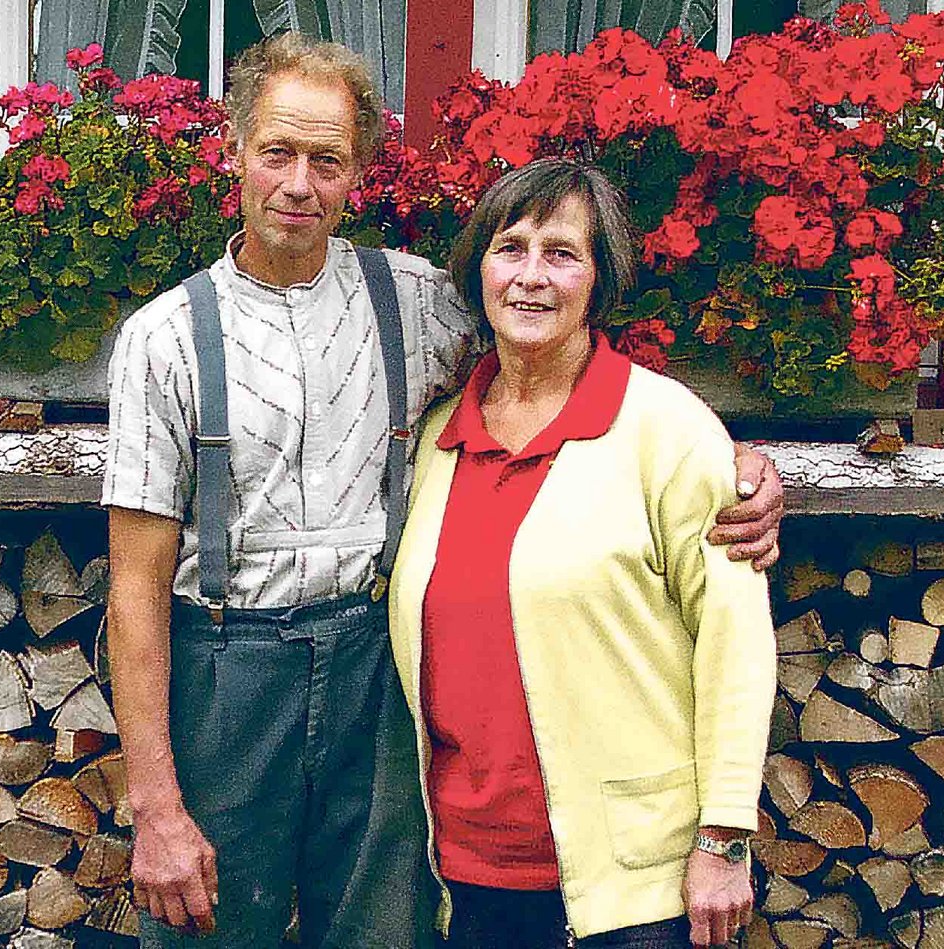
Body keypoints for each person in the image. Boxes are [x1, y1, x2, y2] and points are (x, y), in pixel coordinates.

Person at [102, 33, 785, 949]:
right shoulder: (164, 339)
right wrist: (153, 805)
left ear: (359, 174)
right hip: (229, 674)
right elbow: (135, 589)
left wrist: (727, 461)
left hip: (376, 673)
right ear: (233, 151)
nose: (299, 184)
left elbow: (549, 345)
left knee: (386, 935)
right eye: (277, 152)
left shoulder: (417, 301)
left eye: (326, 161)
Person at [387, 158, 779, 949]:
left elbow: (735, 645)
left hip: (633, 887)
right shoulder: (435, 440)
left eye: (562, 253)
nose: (531, 276)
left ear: (599, 282)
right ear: (479, 269)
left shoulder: (668, 431)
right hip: (462, 872)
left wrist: (724, 838)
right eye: (511, 248)